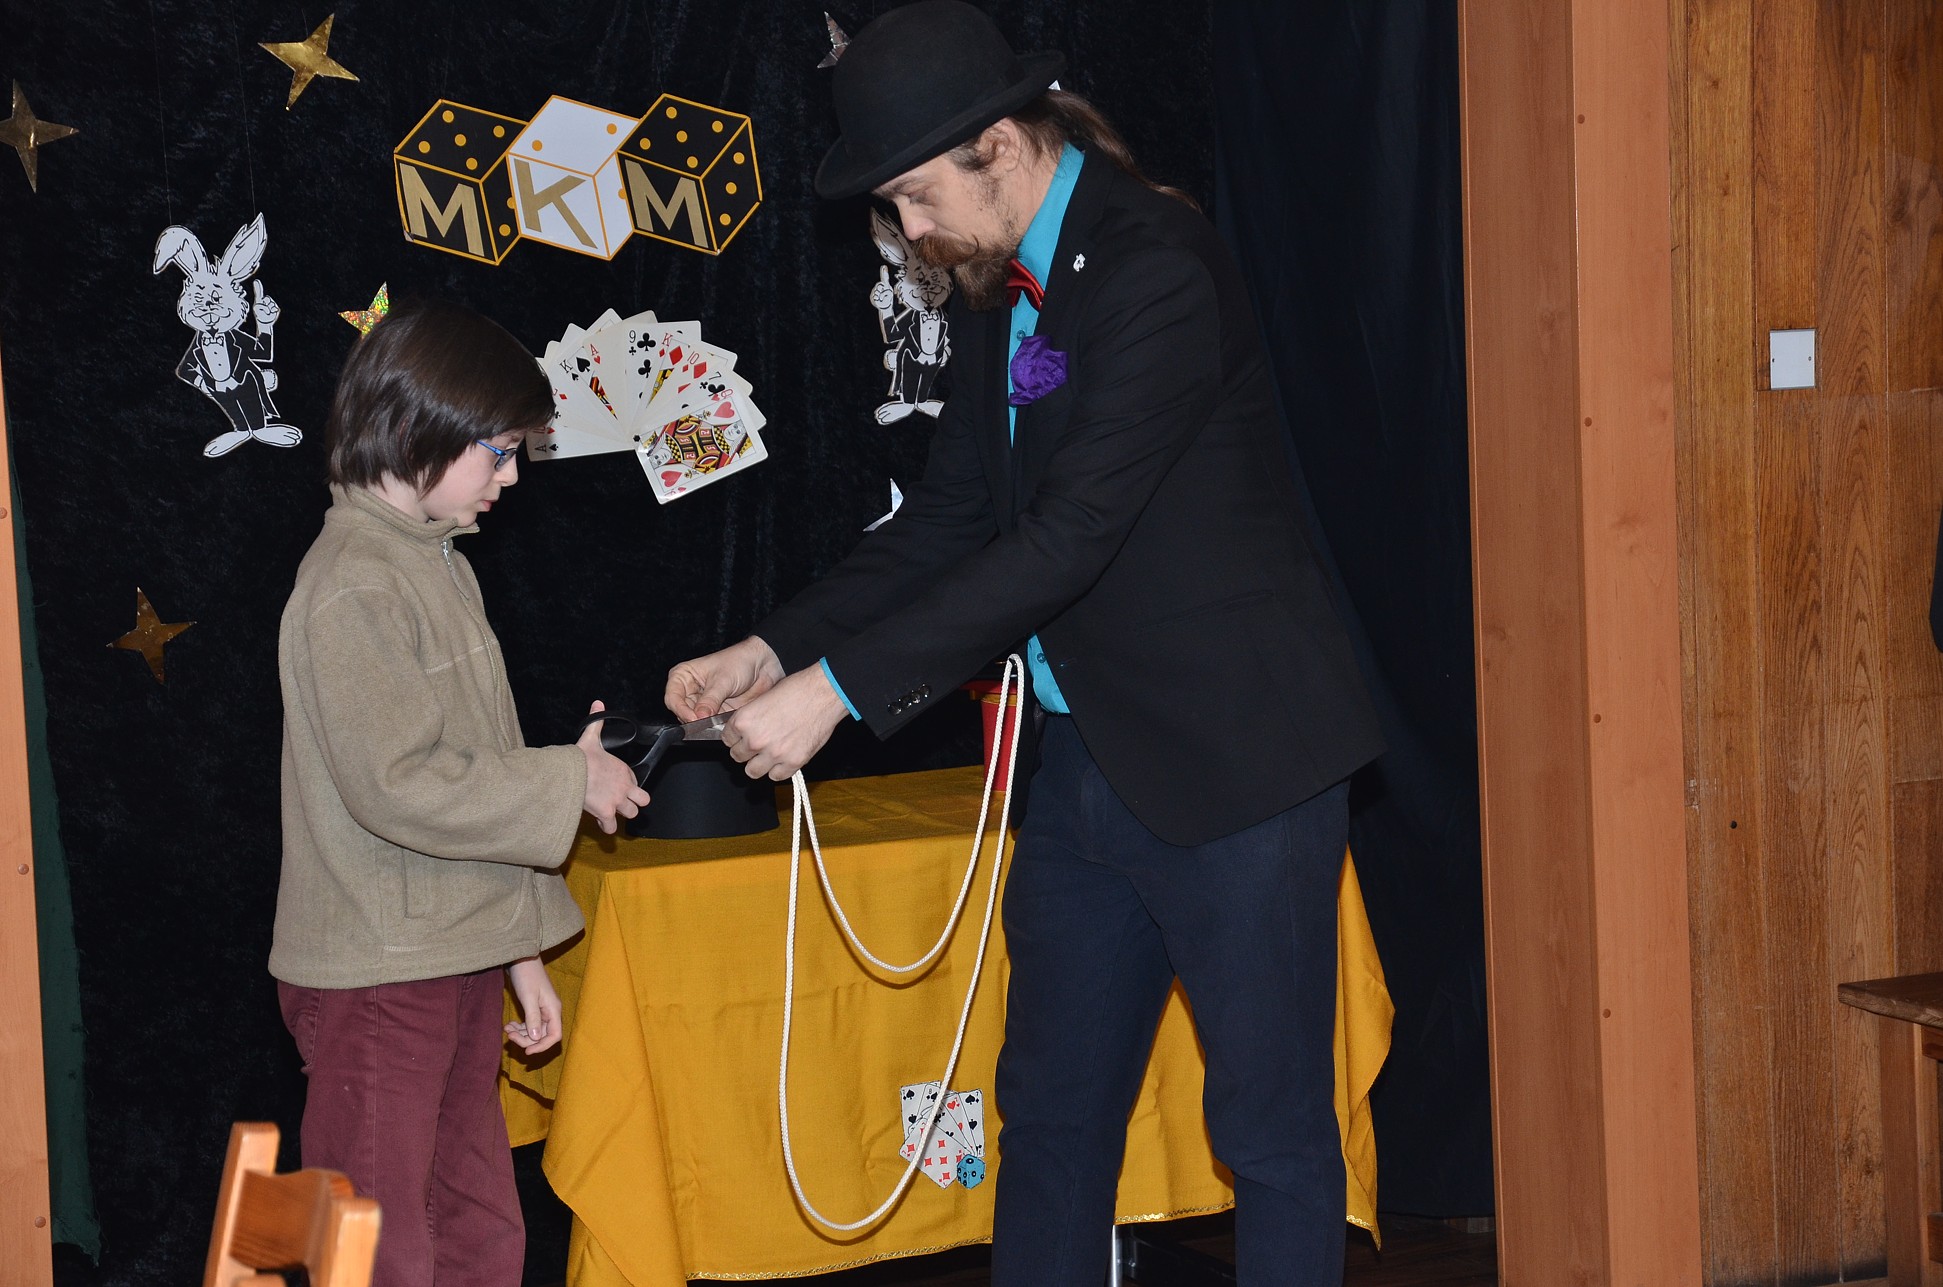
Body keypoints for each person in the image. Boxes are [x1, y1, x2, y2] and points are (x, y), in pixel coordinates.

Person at [665, 4, 1384, 1282]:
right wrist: (774, 651)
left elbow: (1068, 537)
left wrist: (839, 692)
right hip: (1087, 766)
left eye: (913, 197)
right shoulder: (1007, 287)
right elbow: (948, 519)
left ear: (998, 145)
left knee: (1268, 1135)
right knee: (1046, 1121)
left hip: (1238, 767)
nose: (907, 232)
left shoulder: (1156, 263)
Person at [271, 300, 650, 1287]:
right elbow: (399, 785)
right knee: (383, 1248)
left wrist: (519, 954)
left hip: (449, 953)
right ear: (415, 430)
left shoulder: (434, 565)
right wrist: (570, 777)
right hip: (379, 975)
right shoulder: (354, 584)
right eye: (500, 450)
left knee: (477, 1218)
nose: (511, 476)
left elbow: (475, 770)